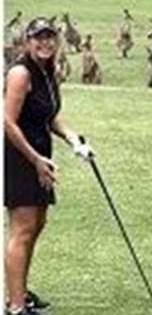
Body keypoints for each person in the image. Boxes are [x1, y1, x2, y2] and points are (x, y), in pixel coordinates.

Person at [5, 17, 91, 315]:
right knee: (22, 229)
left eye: (49, 37)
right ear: (27, 42)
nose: (45, 42)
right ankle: (16, 307)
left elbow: (48, 115)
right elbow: (7, 122)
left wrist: (73, 139)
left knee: (36, 225)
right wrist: (36, 160)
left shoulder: (48, 72)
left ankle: (20, 293)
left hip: (40, 154)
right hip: (21, 156)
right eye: (38, 38)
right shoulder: (21, 73)